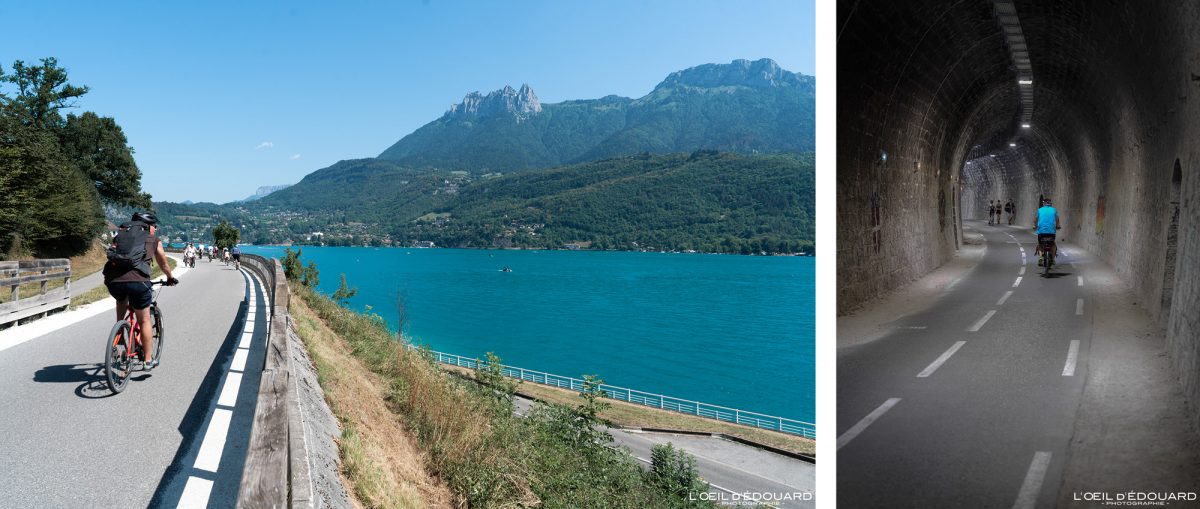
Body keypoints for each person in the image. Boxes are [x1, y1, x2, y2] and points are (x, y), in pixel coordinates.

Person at [103, 212, 178, 369]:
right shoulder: (153, 240)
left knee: (121, 298)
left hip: (114, 282)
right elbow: (163, 262)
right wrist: (170, 277)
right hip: (139, 282)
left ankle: (120, 328)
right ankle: (148, 360)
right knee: (144, 320)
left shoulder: (120, 236)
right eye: (154, 227)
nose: (155, 230)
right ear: (148, 226)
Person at [1033, 197, 1061, 266]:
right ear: (1050, 203)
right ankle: (1053, 259)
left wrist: (1035, 226)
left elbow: (1036, 219)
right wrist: (1057, 226)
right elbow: (1057, 219)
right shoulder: (1054, 210)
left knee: (1040, 244)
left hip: (1041, 232)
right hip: (1051, 232)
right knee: (1053, 244)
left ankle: (1040, 257)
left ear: (1044, 203)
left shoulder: (1039, 210)